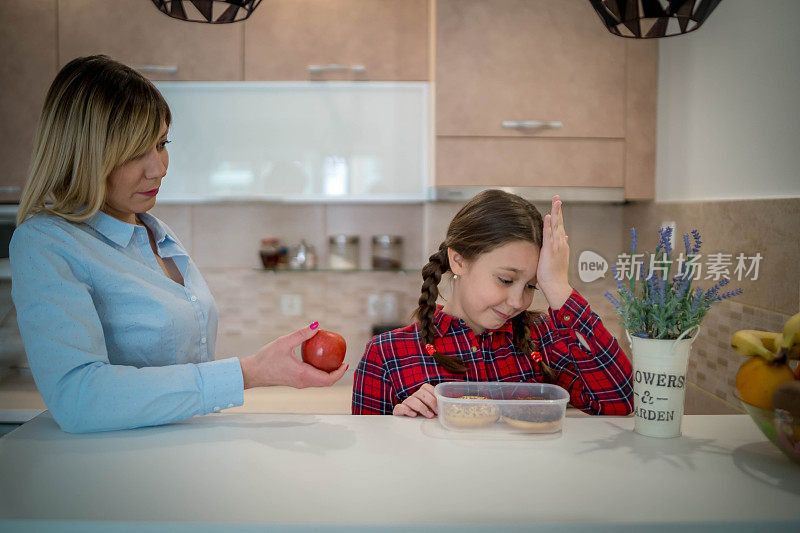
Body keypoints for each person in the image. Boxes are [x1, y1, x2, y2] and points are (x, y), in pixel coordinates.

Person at [10, 55, 347, 434]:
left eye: (160, 144)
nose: (159, 168)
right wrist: (249, 372)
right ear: (85, 154)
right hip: (118, 474)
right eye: (136, 152)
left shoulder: (157, 232)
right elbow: (79, 397)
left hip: (190, 455)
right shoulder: (46, 243)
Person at [352, 189, 633, 417]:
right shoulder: (386, 355)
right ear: (458, 260)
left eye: (532, 285)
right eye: (505, 280)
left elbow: (621, 401)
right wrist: (400, 428)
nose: (517, 301)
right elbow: (370, 460)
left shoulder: (544, 340)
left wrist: (558, 286)